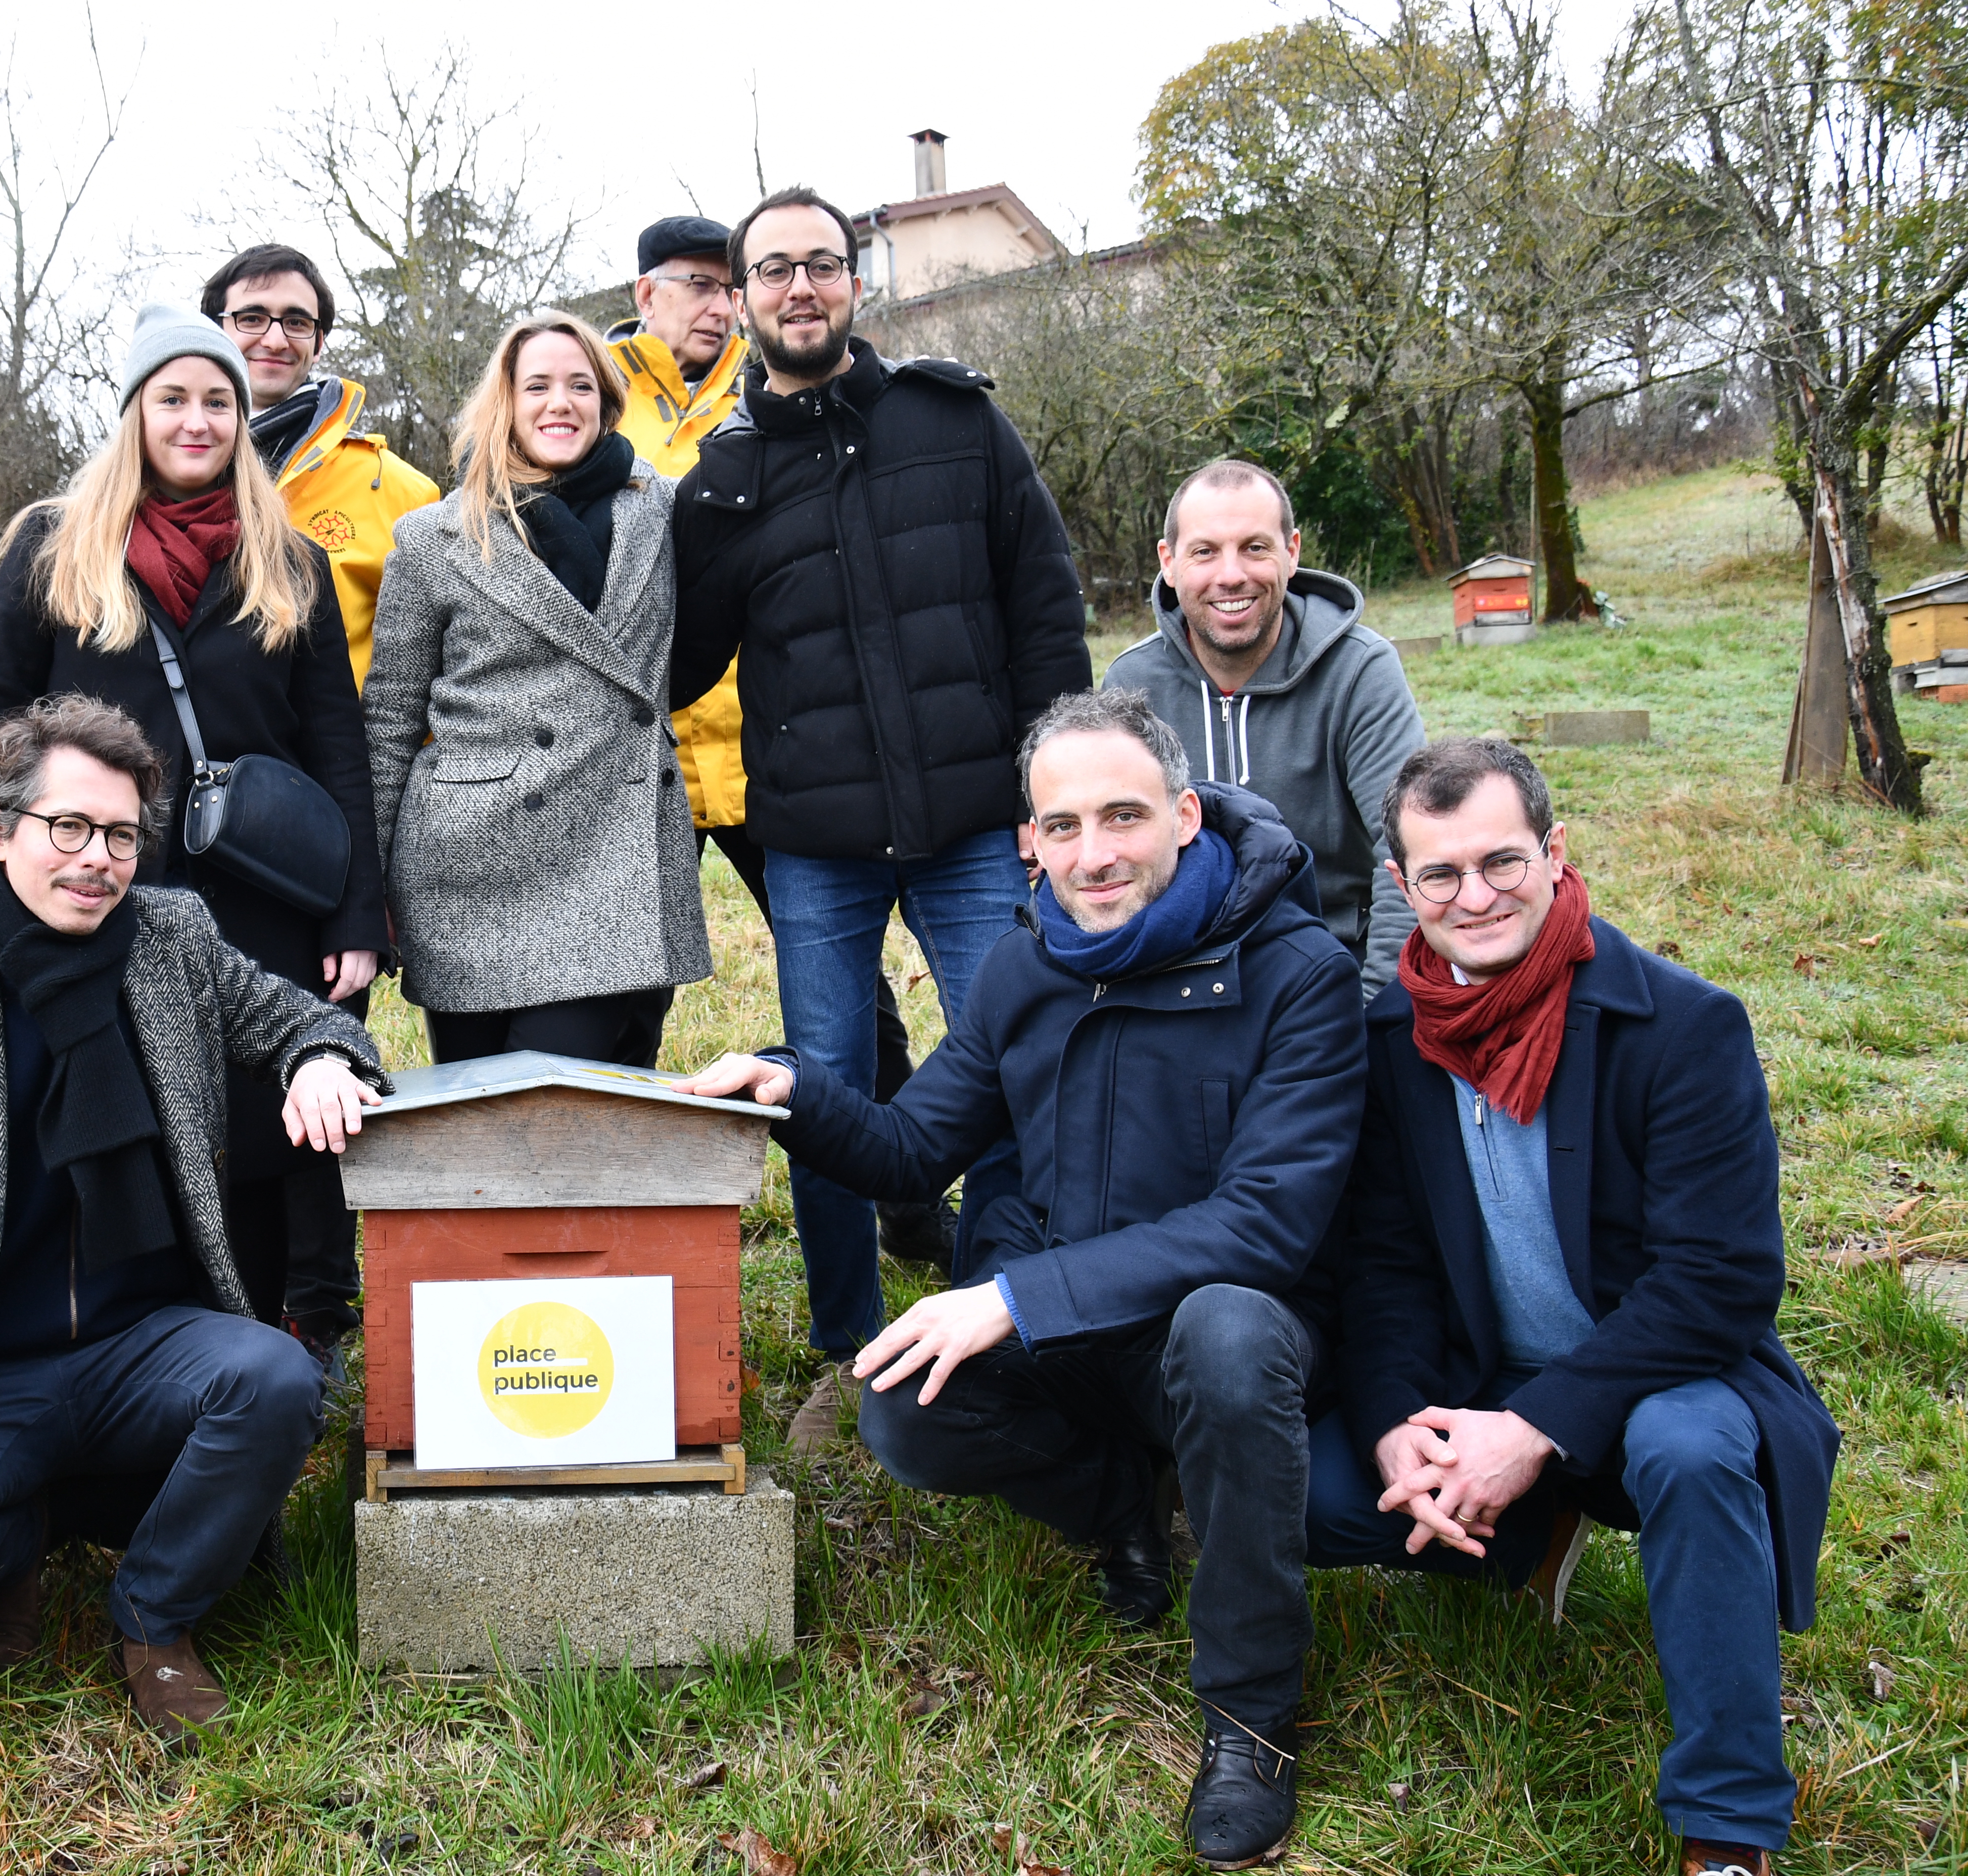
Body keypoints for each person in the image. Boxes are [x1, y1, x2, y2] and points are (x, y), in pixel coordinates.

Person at [679, 688, 1366, 1871]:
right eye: (1062, 826)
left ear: (1185, 817)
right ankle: (1121, 1509)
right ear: (1027, 843)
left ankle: (1250, 1716)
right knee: (902, 1406)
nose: (1092, 855)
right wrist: (789, 1084)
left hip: (1222, 1337)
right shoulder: (1022, 965)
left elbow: (1263, 1224)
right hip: (1067, 1329)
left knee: (1226, 1333)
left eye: (1122, 818)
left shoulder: (1296, 973)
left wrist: (1007, 1297)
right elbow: (911, 1146)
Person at [1305, 737, 1838, 1876]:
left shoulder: (1682, 1025)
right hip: (1485, 1376)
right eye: (1440, 875)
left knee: (1690, 1452)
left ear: (1554, 852)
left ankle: (1729, 1823)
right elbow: (1388, 1260)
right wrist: (1400, 1412)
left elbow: (1723, 1279)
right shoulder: (1394, 1040)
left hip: (1662, 1376)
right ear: (1402, 889)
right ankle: (1534, 1531)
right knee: (1319, 1490)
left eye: (1502, 861)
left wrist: (1536, 1426)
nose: (1476, 896)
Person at [0, 694, 386, 1736]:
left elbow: (299, 1013)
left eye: (121, 835)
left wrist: (320, 1057)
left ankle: (153, 1610)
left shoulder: (169, 937)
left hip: (139, 1344)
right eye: (68, 827)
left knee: (275, 1378)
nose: (99, 859)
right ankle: (20, 1531)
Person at [669, 185, 1092, 1357]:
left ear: (856, 280)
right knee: (822, 1093)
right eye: (771, 271)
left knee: (1014, 1058)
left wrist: (1047, 804)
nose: (797, 288)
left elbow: (1044, 613)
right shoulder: (723, 479)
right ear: (744, 297)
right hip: (815, 845)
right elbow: (672, 656)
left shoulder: (953, 422)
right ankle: (843, 1339)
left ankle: (1013, 1316)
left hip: (974, 825)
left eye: (819, 264)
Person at [0, 303, 385, 1365]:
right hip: (101, 885)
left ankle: (276, 1347)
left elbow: (338, 744)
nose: (198, 421)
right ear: (135, 411)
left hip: (263, 896)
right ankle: (132, 1345)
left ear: (244, 417)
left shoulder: (289, 559)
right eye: (174, 399)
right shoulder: (50, 550)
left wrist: (357, 912)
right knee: (133, 1111)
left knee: (265, 1130)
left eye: (219, 401)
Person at [610, 211, 945, 1268]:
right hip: (643, 763)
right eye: (694, 285)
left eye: (728, 286)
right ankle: (610, 1218)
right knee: (622, 991)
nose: (718, 305)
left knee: (843, 998)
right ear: (644, 298)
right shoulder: (590, 400)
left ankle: (903, 1194)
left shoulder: (776, 397)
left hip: (768, 756)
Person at [362, 310, 711, 1066]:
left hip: (612, 854)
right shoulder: (436, 537)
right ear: (506, 403)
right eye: (539, 386)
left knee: (583, 1111)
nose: (562, 403)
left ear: (608, 402)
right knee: (481, 1119)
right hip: (468, 864)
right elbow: (390, 716)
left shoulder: (666, 510)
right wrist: (367, 881)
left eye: (581, 385)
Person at [1106, 459, 1426, 999]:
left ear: (1292, 551)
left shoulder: (1361, 670)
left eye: (1255, 547)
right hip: (1185, 978)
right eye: (1205, 551)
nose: (1231, 574)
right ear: (1169, 561)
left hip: (1335, 967)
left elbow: (1410, 851)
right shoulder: (1130, 683)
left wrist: (1374, 1014)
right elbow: (1115, 861)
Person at [202, 243, 441, 691]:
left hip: (340, 757)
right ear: (213, 330)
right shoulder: (151, 481)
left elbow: (441, 667)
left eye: (296, 322)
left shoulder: (403, 494)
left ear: (319, 342)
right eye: (252, 318)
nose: (275, 340)